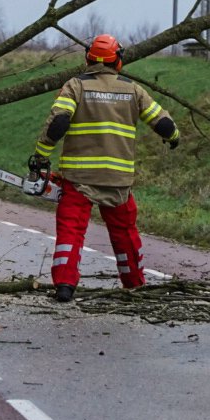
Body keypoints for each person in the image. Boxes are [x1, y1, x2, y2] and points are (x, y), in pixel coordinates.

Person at [28, 34, 180, 303]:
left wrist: (41, 156)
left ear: (88, 58)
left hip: (79, 178)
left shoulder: (75, 86)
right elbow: (164, 124)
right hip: (118, 181)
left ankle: (64, 285)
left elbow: (58, 123)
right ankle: (134, 284)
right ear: (118, 60)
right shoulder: (133, 90)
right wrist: (174, 137)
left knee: (71, 232)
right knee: (125, 233)